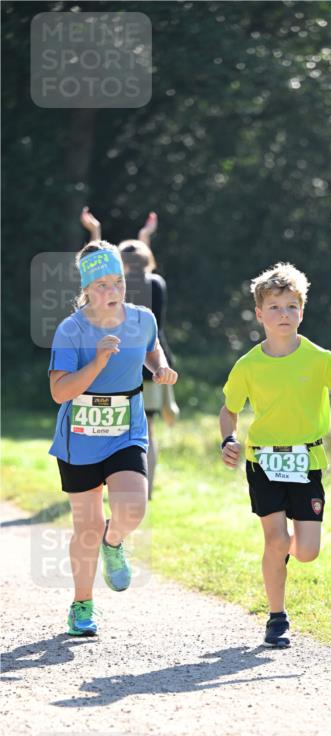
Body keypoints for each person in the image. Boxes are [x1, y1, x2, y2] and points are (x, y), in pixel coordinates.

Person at [219, 262, 331, 649]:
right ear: (259, 313)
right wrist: (228, 439)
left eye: (292, 306)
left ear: (302, 311)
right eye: (275, 307)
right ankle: (276, 617)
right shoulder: (248, 365)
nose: (284, 314)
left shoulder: (319, 359)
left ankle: (280, 553)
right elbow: (229, 409)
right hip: (262, 460)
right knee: (276, 540)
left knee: (308, 552)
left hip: (307, 461)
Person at [48, 240, 178, 637]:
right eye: (102, 285)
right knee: (85, 525)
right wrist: (99, 361)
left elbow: (151, 350)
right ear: (86, 288)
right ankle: (82, 604)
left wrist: (160, 368)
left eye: (117, 282)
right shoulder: (71, 330)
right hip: (79, 436)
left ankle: (115, 539)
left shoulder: (143, 319)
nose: (112, 292)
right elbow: (59, 392)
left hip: (126, 428)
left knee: (133, 508)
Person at [80, 208, 178, 498]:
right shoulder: (156, 284)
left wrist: (95, 234)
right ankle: (143, 490)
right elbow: (141, 263)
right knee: (146, 429)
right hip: (151, 365)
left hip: (116, 364)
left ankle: (106, 486)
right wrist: (145, 237)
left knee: (108, 427)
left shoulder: (112, 288)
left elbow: (94, 271)